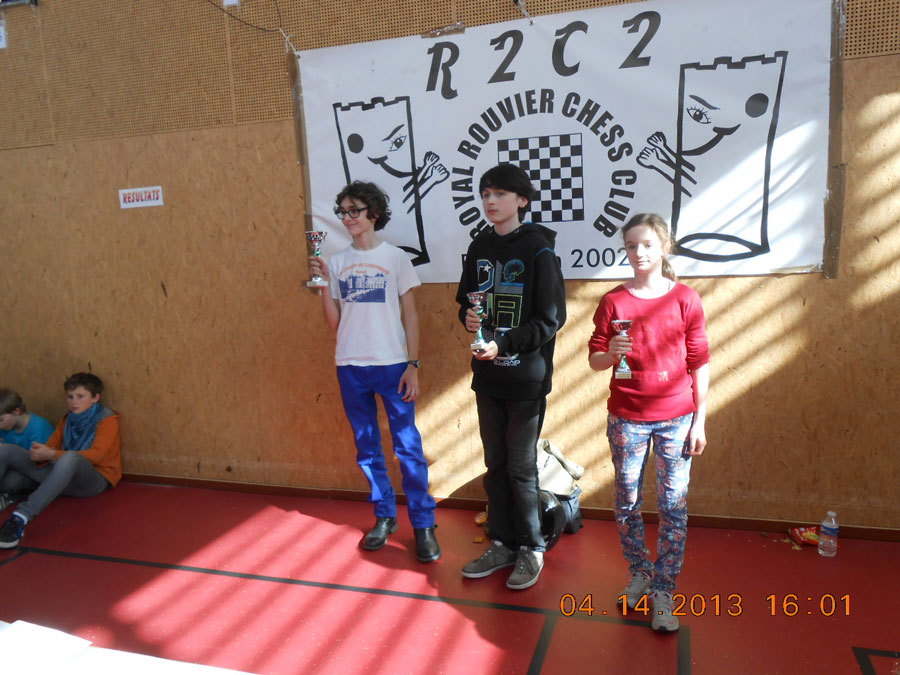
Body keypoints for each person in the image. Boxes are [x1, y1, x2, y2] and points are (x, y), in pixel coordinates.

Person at [588, 213, 710, 632]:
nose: (638, 253)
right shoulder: (613, 302)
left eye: (646, 245)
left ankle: (664, 589)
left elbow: (699, 362)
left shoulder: (686, 299)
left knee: (673, 507)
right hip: (627, 419)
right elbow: (595, 360)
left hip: (677, 419)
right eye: (630, 245)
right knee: (627, 502)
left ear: (664, 247)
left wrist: (699, 422)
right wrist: (611, 352)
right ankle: (639, 572)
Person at [309, 180, 440, 563]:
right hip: (350, 365)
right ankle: (384, 515)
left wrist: (413, 364)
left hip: (392, 365)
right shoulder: (336, 262)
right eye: (343, 212)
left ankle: (423, 523)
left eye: (355, 211)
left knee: (407, 447)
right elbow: (335, 324)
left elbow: (410, 315)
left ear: (374, 214)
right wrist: (323, 286)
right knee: (367, 448)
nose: (348, 218)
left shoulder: (395, 259)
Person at [455, 163, 567, 590]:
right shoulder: (479, 245)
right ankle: (501, 542)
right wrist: (469, 319)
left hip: (525, 380)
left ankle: (531, 547)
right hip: (488, 378)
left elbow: (551, 318)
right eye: (485, 194)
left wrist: (504, 344)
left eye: (499, 194)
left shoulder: (538, 249)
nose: (490, 201)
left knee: (521, 468)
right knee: (496, 465)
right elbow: (467, 303)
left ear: (521, 200)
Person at [0, 372, 121, 548]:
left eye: (80, 396)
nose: (74, 402)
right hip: (63, 475)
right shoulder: (68, 418)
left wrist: (52, 455)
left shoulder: (107, 419)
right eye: (70, 397)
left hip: (94, 480)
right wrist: (39, 454)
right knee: (6, 450)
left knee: (70, 456)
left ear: (95, 398)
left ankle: (20, 518)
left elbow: (98, 456)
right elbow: (51, 446)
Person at [0, 389, 56, 510]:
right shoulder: (6, 428)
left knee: (12, 481)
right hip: (16, 469)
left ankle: (11, 495)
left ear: (17, 411)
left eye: (1, 419)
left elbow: (39, 463)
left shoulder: (39, 427)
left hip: (38, 474)